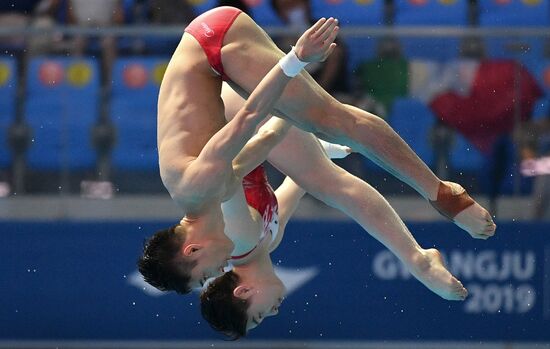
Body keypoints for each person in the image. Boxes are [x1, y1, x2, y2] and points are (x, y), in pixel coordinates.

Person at [138, 8, 495, 297]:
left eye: (203, 277)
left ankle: (441, 193)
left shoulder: (197, 188)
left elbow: (251, 117)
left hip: (213, 46)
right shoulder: (206, 199)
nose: (216, 277)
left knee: (329, 120)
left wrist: (297, 59)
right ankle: (417, 254)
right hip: (215, 72)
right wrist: (305, 144)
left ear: (192, 251)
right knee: (323, 165)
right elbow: (256, 149)